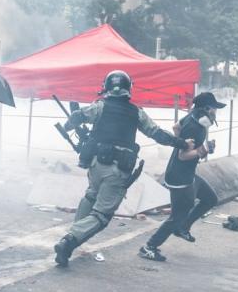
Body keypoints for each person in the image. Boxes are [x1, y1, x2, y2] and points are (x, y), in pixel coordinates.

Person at [54, 70, 195, 267]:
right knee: (102, 215)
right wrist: (182, 144)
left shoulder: (99, 107)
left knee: (91, 197)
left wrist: (71, 126)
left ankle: (72, 236)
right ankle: (69, 241)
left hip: (95, 166)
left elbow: (77, 117)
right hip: (117, 171)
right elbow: (157, 134)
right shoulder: (136, 112)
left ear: (106, 88)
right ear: (129, 89)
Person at [139, 92, 225, 262]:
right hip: (180, 178)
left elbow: (176, 127)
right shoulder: (196, 127)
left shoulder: (191, 117)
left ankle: (183, 228)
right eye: (215, 108)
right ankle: (148, 247)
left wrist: (182, 142)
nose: (217, 111)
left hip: (188, 174)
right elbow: (182, 156)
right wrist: (203, 150)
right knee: (177, 216)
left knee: (210, 199)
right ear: (207, 109)